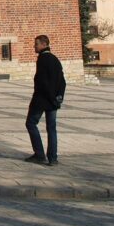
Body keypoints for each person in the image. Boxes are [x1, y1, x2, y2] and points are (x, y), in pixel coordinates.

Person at [25, 34, 66, 166]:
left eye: (36, 44)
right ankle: (53, 158)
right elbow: (62, 82)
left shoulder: (43, 59)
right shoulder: (55, 59)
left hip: (42, 99)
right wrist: (59, 97)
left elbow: (42, 82)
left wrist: (49, 97)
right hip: (53, 101)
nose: (34, 46)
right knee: (51, 128)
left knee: (31, 123)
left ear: (43, 44)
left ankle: (39, 154)